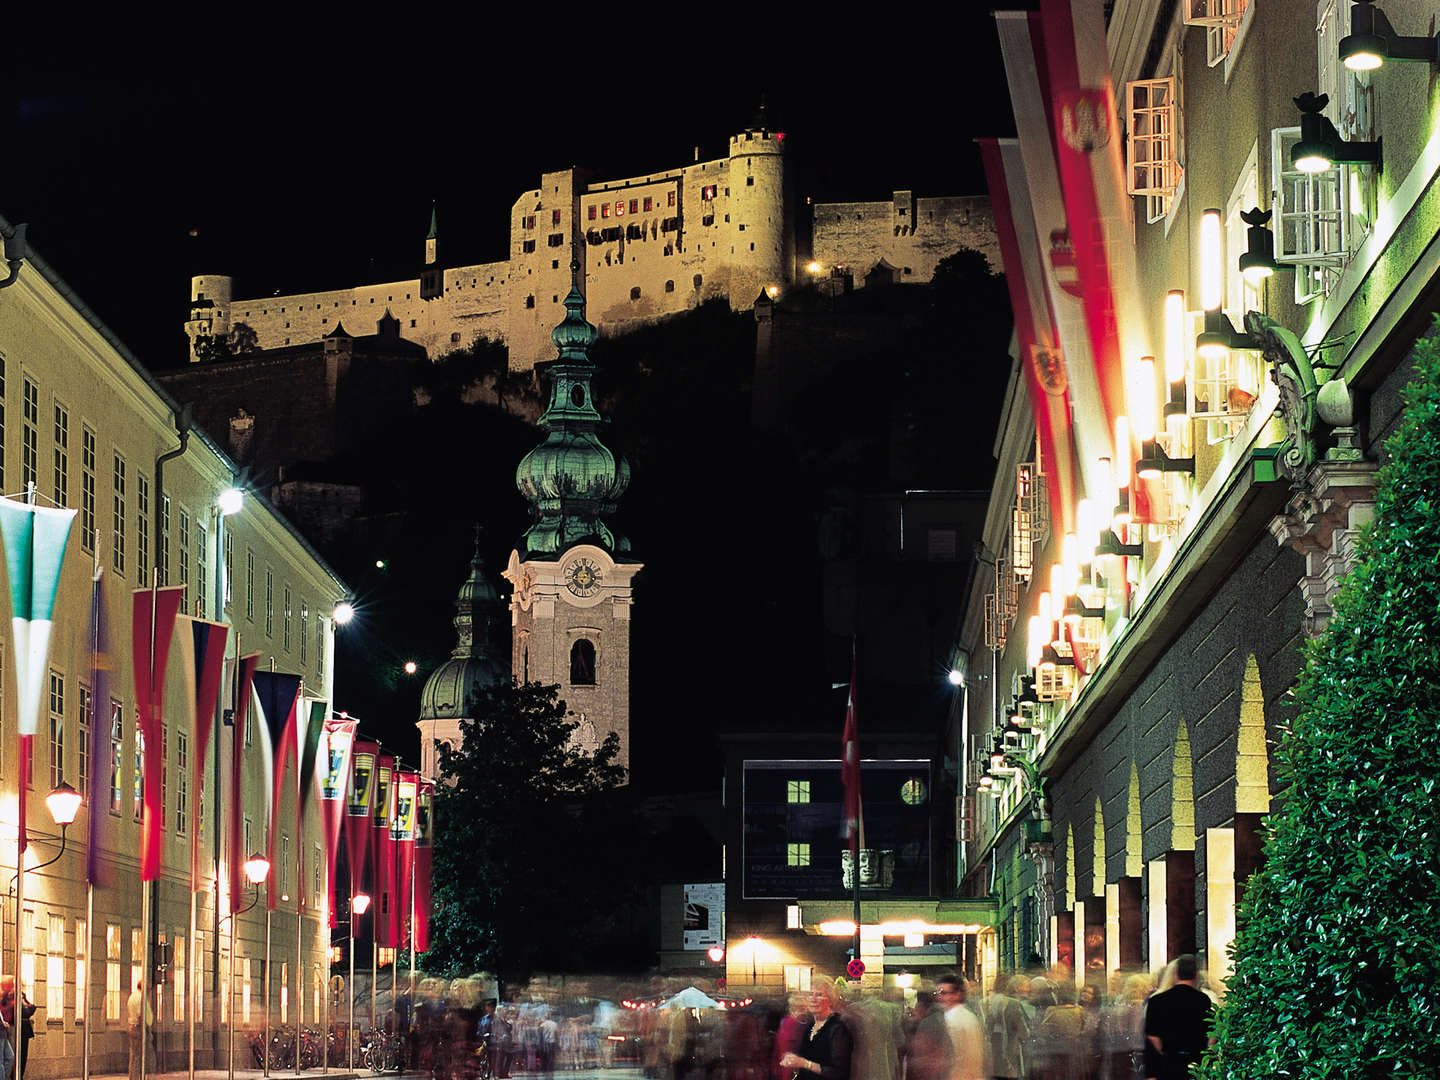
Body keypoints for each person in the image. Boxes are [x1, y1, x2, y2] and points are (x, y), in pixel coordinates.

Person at [1142, 956, 1213, 1080]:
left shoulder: (1157, 1001)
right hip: (1196, 1062)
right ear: (1196, 975)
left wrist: (1164, 1052)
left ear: (1175, 974)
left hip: (1168, 1063)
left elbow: (1152, 1035)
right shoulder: (1203, 1000)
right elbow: (1211, 1032)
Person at [779, 983, 853, 1080]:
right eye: (810, 994)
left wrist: (804, 1063)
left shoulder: (837, 1028)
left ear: (830, 1000)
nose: (813, 999)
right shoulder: (810, 1025)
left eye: (819, 995)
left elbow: (839, 1073)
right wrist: (793, 1060)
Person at [934, 974, 983, 1080]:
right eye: (938, 993)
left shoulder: (961, 1018)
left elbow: (969, 1057)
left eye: (943, 993)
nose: (940, 997)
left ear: (957, 994)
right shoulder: (950, 1015)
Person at [983, 974, 1028, 1080]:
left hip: (995, 1049)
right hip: (1011, 1049)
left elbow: (987, 1026)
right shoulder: (1013, 1003)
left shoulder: (988, 1002)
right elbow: (1023, 1031)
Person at [902, 992, 952, 1080]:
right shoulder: (938, 1018)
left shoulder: (928, 1023)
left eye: (917, 1007)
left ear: (921, 1007)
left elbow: (923, 1052)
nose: (915, 1009)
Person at [123, 977, 153, 1080]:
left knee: (134, 1055)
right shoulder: (141, 998)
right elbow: (141, 1016)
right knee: (140, 1056)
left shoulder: (132, 996)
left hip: (132, 1026)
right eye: (148, 988)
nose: (149, 990)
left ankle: (133, 1077)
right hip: (138, 1028)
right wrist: (146, 1030)